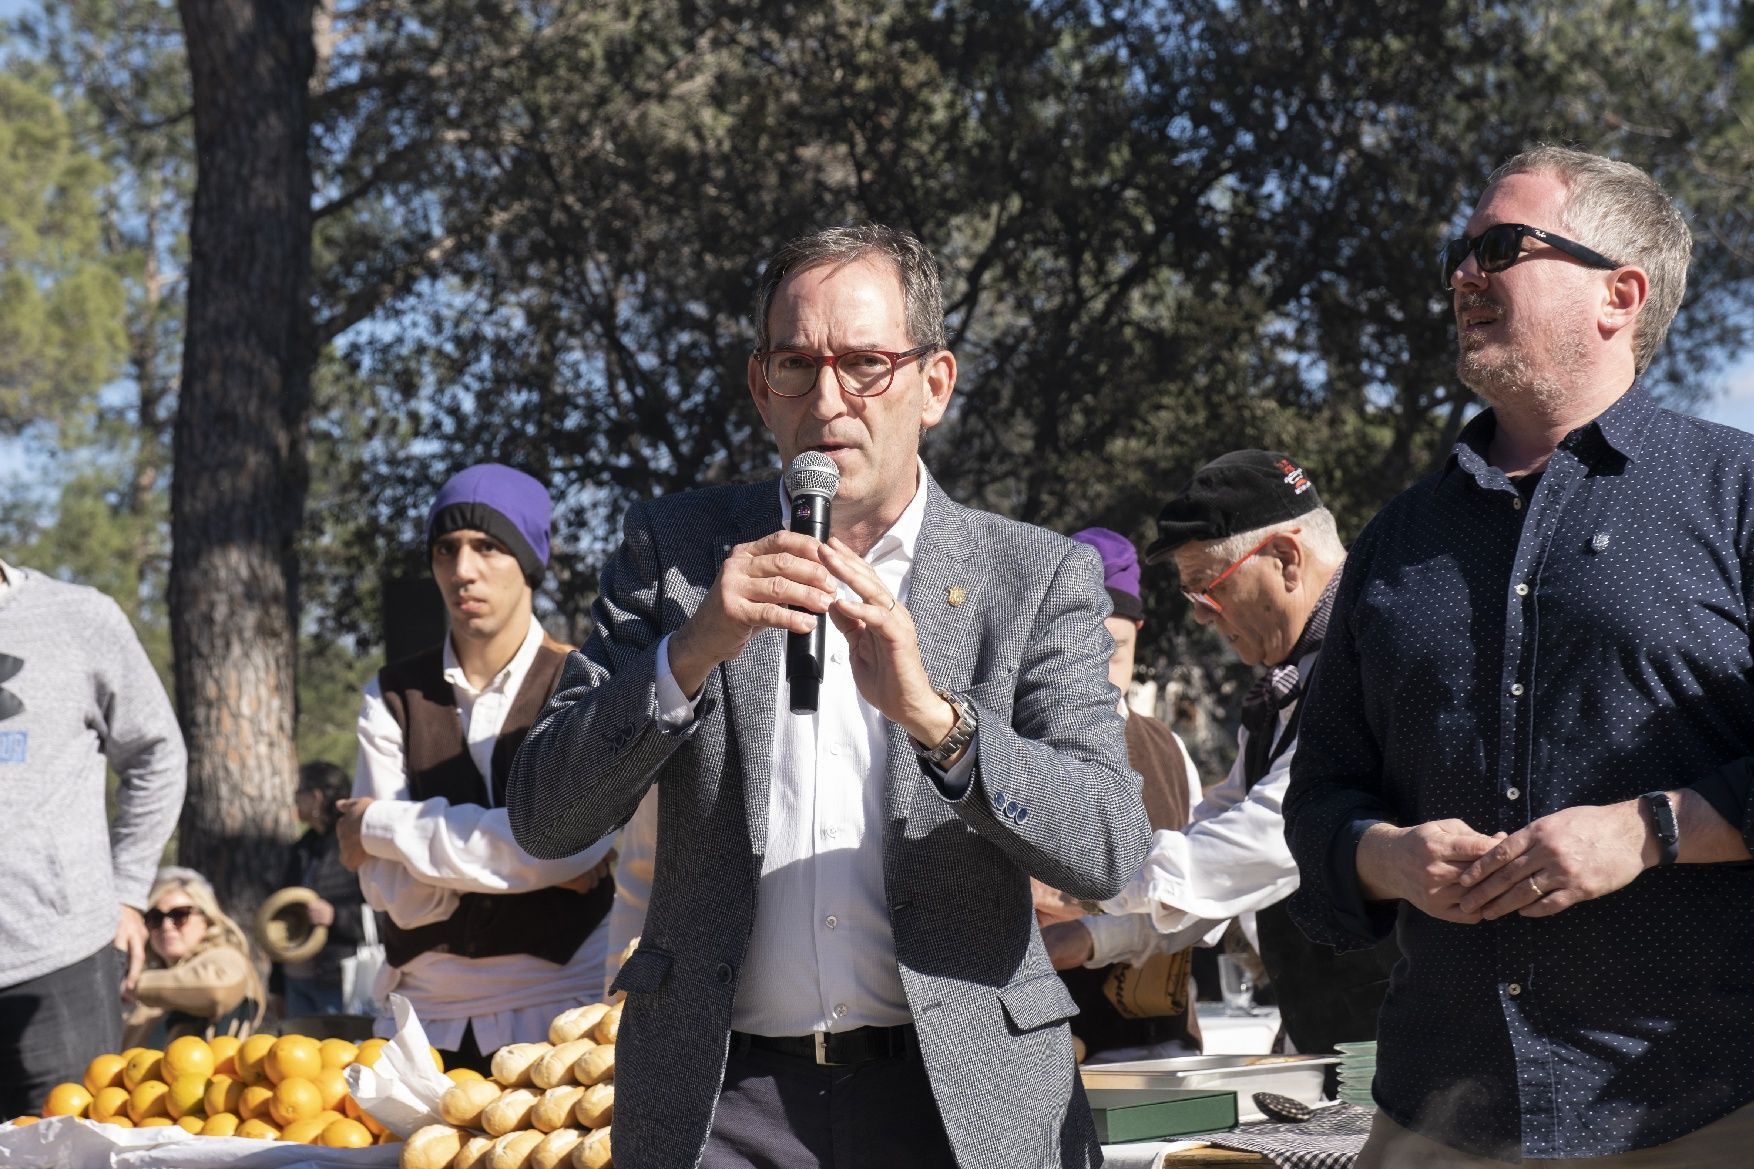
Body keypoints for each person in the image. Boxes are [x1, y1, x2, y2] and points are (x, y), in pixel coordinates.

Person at [507, 224, 1149, 1169]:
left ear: (935, 384)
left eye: (865, 364)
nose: (829, 398)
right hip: (723, 1105)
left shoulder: (1034, 574)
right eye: (798, 363)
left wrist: (942, 724)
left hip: (956, 1104)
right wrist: (689, 653)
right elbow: (545, 815)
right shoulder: (675, 553)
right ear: (761, 386)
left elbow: (1109, 844)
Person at [1283, 145, 1754, 1166]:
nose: (1461, 275)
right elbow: (1317, 797)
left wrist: (1648, 829)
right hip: (1431, 1120)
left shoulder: (1734, 494)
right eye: (1458, 253)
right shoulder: (1394, 540)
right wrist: (1385, 856)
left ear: (1616, 294)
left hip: (1697, 1112)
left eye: (1498, 247)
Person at [1089, 451, 1399, 1061]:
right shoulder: (1290, 681)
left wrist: (1088, 865)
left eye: (1209, 590)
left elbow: (1272, 834)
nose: (1204, 618)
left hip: (1406, 1045)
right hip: (1335, 1031)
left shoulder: (1374, 651)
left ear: (1285, 559)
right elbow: (1221, 819)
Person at [340, 464, 617, 1074]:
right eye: (447, 549)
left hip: (563, 1018)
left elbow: (566, 848)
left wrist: (382, 826)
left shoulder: (587, 686)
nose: (462, 570)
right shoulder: (389, 696)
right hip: (419, 1024)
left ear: (528, 561)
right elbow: (394, 895)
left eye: (487, 546)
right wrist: (525, 855)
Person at [0, 559, 185, 1115]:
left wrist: (128, 891)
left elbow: (158, 753)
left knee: (68, 1150)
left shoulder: (77, 617)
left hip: (56, 960)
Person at [1033, 527, 1205, 1063]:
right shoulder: (1015, 745)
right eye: (1083, 645)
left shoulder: (1169, 747)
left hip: (1171, 1047)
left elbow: (1207, 898)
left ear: (1139, 631)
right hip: (1062, 1052)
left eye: (1118, 647)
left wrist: (1089, 928)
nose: (1102, 664)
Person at [123, 867, 266, 1048]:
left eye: (180, 914)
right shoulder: (155, 978)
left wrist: (134, 984)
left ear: (206, 919)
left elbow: (217, 990)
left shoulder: (225, 956)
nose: (167, 926)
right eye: (155, 917)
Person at [269, 761, 368, 1018]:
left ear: (316, 797)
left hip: (338, 977)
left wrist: (335, 916)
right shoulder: (301, 850)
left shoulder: (355, 847)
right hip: (296, 979)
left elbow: (381, 914)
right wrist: (277, 987)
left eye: (298, 794)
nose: (294, 802)